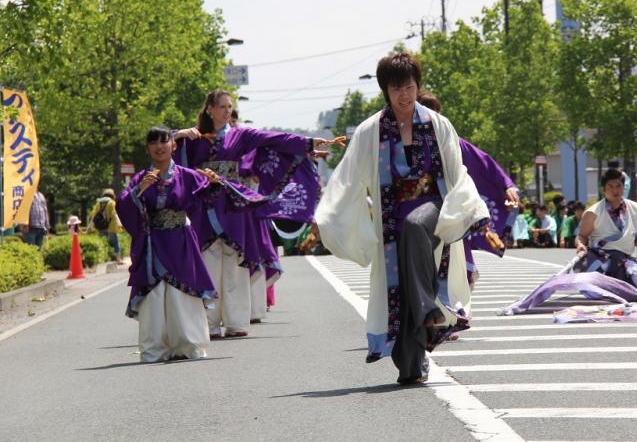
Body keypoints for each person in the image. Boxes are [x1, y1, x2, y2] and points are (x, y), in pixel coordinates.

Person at [316, 53, 489, 385]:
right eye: (396, 89)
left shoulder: (438, 124)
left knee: (414, 227)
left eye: (409, 87)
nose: (404, 95)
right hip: (391, 219)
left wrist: (473, 209)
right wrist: (326, 215)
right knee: (401, 290)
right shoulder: (370, 130)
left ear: (418, 86)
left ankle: (427, 307)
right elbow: (348, 179)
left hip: (433, 213)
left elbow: (457, 172)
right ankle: (411, 364)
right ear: (386, 90)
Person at [174, 89, 328, 339]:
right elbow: (162, 147)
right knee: (208, 263)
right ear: (210, 109)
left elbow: (275, 139)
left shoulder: (240, 135)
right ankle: (210, 323)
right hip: (203, 206)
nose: (227, 111)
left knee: (235, 263)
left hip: (233, 205)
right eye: (222, 107)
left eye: (229, 107)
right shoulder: (194, 138)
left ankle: (235, 322)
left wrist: (308, 143)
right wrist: (177, 135)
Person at [116, 126, 221, 363]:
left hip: (181, 242)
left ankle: (188, 344)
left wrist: (214, 184)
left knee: (181, 293)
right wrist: (141, 191)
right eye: (153, 142)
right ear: (148, 149)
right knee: (154, 295)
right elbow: (123, 204)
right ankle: (155, 348)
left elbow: (206, 197)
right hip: (153, 244)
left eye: (164, 141)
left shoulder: (187, 175)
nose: (159, 146)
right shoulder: (142, 177)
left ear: (173, 145)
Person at [416, 91, 520, 289]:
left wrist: (507, 186)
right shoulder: (401, 142)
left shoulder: (454, 142)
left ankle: (458, 314)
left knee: (458, 272)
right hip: (418, 214)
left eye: (436, 114)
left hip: (452, 213)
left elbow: (485, 165)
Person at [572, 168, 637, 288]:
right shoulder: (593, 212)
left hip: (626, 260)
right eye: (610, 186)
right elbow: (582, 236)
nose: (615, 190)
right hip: (601, 258)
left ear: (623, 187)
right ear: (603, 189)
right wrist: (580, 245)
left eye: (619, 186)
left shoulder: (636, 208)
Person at [87, 189, 125, 264]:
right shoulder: (112, 203)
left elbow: (94, 216)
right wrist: (120, 224)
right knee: (116, 243)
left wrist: (90, 226)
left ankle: (104, 259)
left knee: (104, 244)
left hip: (101, 227)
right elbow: (115, 215)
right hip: (111, 227)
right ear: (112, 195)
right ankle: (118, 260)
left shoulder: (98, 203)